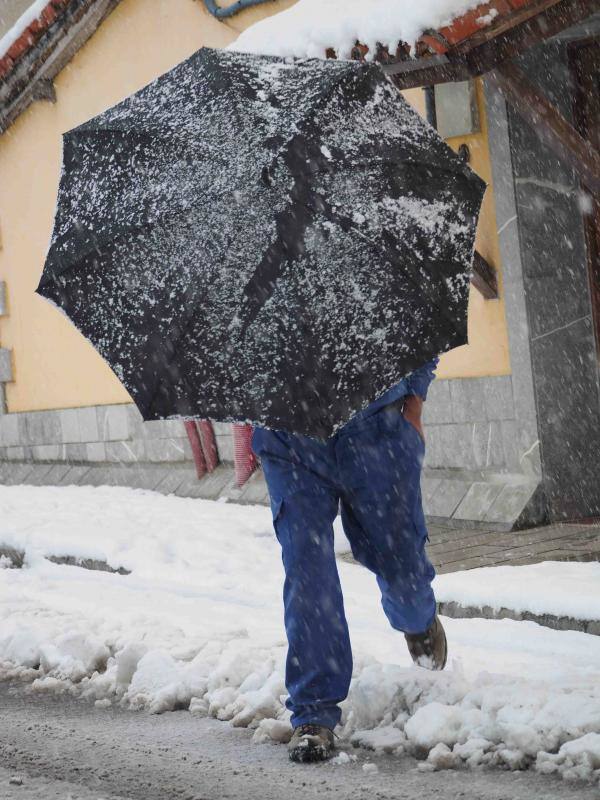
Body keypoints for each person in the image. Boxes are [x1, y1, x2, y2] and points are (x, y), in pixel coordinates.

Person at [251, 358, 446, 763]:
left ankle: (417, 618)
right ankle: (314, 713)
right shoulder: (239, 298)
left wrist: (415, 399)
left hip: (374, 426)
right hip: (289, 440)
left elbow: (413, 314)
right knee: (308, 573)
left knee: (401, 566)